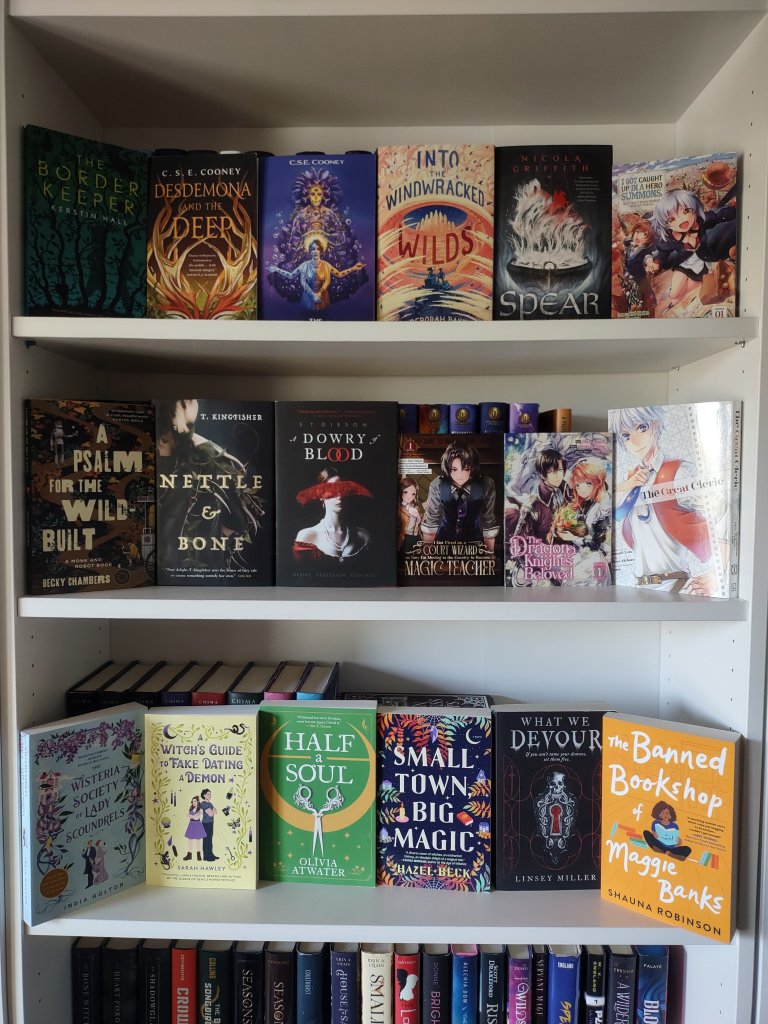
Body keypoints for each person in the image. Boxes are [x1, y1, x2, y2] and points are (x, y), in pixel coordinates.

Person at [612, 405, 718, 595]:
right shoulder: (628, 479)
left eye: (641, 428)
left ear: (654, 426)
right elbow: (601, 512)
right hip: (637, 587)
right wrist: (624, 486)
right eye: (626, 436)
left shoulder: (679, 471)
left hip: (676, 586)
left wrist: (716, 575)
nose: (634, 441)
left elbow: (722, 516)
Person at [155, 398, 264, 576]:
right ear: (185, 404)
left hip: (162, 570)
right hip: (205, 569)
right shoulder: (212, 457)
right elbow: (237, 522)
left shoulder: (145, 448)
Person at [650, 187, 737, 314]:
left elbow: (718, 215)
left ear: (694, 209)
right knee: (674, 294)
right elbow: (663, 252)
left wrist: (736, 210)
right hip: (684, 266)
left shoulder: (701, 221)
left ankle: (673, 303)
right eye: (671, 219)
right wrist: (657, 262)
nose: (681, 220)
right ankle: (671, 293)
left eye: (685, 211)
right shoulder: (671, 237)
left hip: (702, 266)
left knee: (683, 294)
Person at [421, 442, 498, 553]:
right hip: (443, 544)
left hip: (474, 545)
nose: (460, 475)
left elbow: (488, 522)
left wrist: (489, 554)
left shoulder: (486, 484)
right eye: (454, 469)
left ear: (472, 467)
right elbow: (431, 522)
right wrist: (427, 555)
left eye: (465, 469)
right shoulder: (437, 485)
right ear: (448, 468)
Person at [269, 237, 365, 318]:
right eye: (313, 249)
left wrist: (354, 268)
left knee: (325, 316)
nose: (315, 251)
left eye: (317, 249)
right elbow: (293, 277)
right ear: (310, 251)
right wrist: (277, 269)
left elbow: (338, 275)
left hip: (323, 296)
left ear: (321, 250)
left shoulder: (326, 265)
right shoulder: (305, 265)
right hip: (308, 296)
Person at [294, 468, 372, 563]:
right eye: (332, 489)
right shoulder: (307, 536)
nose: (339, 496)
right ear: (321, 495)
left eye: (343, 489)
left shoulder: (363, 535)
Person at [505, 448, 567, 545]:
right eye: (552, 471)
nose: (558, 476)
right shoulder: (533, 504)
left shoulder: (560, 492)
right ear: (542, 475)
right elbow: (521, 542)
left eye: (560, 470)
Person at [397, 475, 422, 551]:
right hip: (403, 542)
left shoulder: (413, 508)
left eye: (413, 494)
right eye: (405, 492)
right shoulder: (398, 508)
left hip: (414, 539)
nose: (409, 497)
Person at [183, 794, 206, 862]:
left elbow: (196, 818)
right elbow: (187, 816)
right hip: (191, 825)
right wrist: (192, 816)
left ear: (198, 802)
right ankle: (189, 855)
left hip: (197, 825)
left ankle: (198, 855)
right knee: (190, 840)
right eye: (193, 801)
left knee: (198, 840)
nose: (194, 803)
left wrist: (191, 816)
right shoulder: (191, 808)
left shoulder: (200, 809)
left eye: (195, 801)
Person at [200, 788, 218, 862]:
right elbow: (210, 813)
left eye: (210, 794)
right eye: (208, 794)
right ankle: (206, 856)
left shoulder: (210, 804)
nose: (209, 796)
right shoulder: (203, 804)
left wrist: (212, 811)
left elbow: (216, 812)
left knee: (210, 839)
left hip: (211, 823)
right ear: (204, 795)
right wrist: (212, 811)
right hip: (206, 824)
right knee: (206, 839)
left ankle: (211, 854)